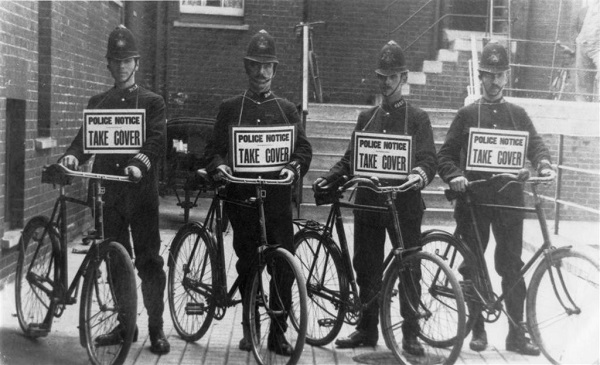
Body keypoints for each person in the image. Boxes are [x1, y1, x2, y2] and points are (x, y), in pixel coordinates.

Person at [313, 40, 437, 355]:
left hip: (404, 206)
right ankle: (366, 330)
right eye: (381, 76)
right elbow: (350, 159)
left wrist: (418, 175)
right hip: (368, 204)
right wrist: (331, 176)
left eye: (392, 77)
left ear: (404, 77)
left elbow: (428, 159)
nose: (386, 82)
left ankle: (411, 333)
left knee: (410, 268)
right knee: (366, 267)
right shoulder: (366, 117)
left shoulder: (417, 118)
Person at [437, 41, 554, 356]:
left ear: (507, 76)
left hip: (508, 205)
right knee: (473, 265)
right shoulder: (467, 114)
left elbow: (536, 145)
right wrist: (454, 176)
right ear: (480, 75)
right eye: (488, 75)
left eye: (500, 75)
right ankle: (476, 329)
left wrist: (542, 162)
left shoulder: (517, 115)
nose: (494, 82)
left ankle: (516, 335)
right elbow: (445, 155)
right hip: (474, 203)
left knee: (511, 266)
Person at [59, 25, 170, 354]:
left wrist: (139, 163)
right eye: (115, 61)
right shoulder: (99, 102)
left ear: (136, 63)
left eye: (127, 61)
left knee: (149, 261)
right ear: (108, 65)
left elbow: (156, 141)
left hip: (141, 195)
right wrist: (72, 155)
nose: (121, 66)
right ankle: (126, 326)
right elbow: (84, 142)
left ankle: (156, 327)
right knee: (115, 261)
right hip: (108, 195)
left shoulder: (152, 102)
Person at [203, 29, 312, 356]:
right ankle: (250, 328)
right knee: (248, 263)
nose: (262, 73)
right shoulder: (231, 108)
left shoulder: (287, 110)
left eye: (268, 67)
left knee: (283, 267)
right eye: (256, 66)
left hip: (277, 202)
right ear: (247, 68)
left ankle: (278, 333)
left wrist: (293, 168)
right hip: (243, 200)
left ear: (275, 70)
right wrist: (220, 166)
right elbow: (214, 150)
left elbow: (303, 150)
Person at [575, 0, 599, 101]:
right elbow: (576, 26)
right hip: (583, 44)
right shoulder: (587, 9)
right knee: (582, 81)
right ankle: (582, 108)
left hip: (598, 47)